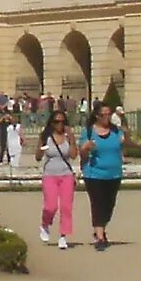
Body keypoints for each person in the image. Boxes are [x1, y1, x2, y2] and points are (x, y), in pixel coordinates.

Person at [81, 103, 126, 251]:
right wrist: (86, 148)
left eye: (109, 114)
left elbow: (125, 146)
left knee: (109, 205)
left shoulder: (116, 131)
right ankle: (100, 237)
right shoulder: (88, 132)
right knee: (97, 203)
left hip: (114, 173)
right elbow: (82, 154)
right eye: (103, 115)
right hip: (94, 173)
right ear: (96, 116)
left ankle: (100, 228)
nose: (106, 117)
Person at [34, 109, 78, 252]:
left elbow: (73, 156)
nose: (60, 124)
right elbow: (38, 157)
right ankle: (45, 223)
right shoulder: (46, 136)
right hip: (50, 175)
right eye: (56, 122)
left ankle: (63, 236)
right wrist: (42, 148)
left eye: (62, 121)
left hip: (66, 175)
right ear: (51, 123)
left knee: (66, 207)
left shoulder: (68, 137)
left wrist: (71, 139)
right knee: (50, 206)